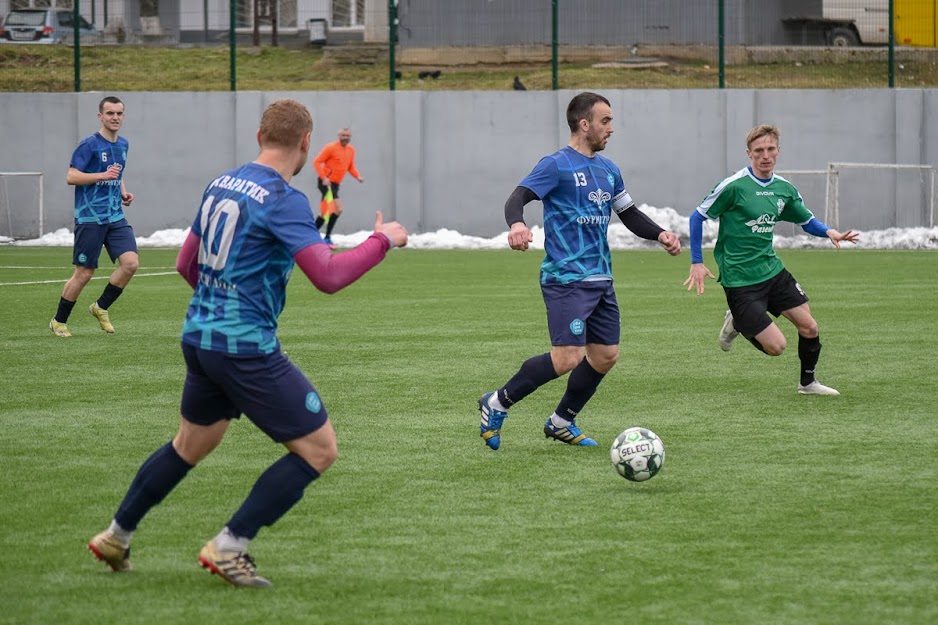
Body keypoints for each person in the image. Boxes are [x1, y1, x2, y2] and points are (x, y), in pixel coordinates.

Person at [87, 99, 408, 587]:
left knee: (190, 444)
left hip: (199, 337)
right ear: (305, 144)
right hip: (244, 348)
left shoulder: (221, 183)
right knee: (319, 450)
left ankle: (116, 535)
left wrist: (220, 304)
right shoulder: (283, 198)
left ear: (259, 136)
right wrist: (383, 239)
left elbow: (185, 265)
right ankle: (229, 546)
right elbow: (327, 275)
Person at [478, 92, 682, 451]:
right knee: (567, 358)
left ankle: (561, 421)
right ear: (584, 124)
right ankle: (496, 402)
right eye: (605, 121)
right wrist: (516, 225)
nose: (611, 129)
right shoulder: (555, 165)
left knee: (605, 355)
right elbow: (517, 197)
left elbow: (629, 214)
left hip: (601, 278)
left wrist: (660, 233)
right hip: (566, 279)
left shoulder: (609, 170)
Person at [683, 123, 859, 396]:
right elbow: (697, 217)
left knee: (810, 326)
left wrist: (829, 232)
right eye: (759, 150)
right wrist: (696, 261)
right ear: (749, 153)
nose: (765, 155)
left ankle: (808, 384)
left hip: (772, 270)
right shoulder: (733, 186)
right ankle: (738, 321)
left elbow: (806, 220)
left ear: (778, 151)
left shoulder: (783, 189)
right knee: (776, 347)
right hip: (740, 278)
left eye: (770, 149)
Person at [50, 95, 138, 337]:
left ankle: (100, 307)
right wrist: (102, 176)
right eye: (110, 113)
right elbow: (72, 176)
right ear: (100, 116)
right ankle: (59, 321)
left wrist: (123, 192)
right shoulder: (89, 144)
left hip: (115, 216)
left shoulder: (123, 145)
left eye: (119, 113)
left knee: (130, 264)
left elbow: (116, 174)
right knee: (85, 273)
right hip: (90, 217)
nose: (115, 118)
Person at [312, 127, 364, 249]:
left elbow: (350, 167)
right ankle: (327, 238)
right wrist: (324, 177)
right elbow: (317, 162)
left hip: (336, 185)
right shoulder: (331, 147)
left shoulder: (351, 150)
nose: (345, 138)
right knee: (338, 208)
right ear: (338, 136)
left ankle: (311, 236)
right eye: (343, 135)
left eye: (347, 136)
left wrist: (358, 176)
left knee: (326, 212)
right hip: (326, 183)